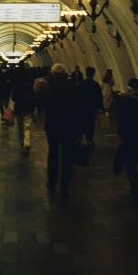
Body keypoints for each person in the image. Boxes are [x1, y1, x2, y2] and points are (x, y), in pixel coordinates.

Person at [36, 63, 78, 199]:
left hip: (53, 125)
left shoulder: (48, 89)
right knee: (68, 156)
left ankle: (52, 182)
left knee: (53, 153)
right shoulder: (73, 89)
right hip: (69, 125)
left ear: (53, 75)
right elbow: (79, 109)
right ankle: (65, 186)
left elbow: (40, 104)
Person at [117, 77, 138, 194]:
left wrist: (122, 135)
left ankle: (134, 182)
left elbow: (122, 120)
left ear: (128, 88)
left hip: (131, 136)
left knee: (131, 160)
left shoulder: (125, 101)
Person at [12, 62, 36, 155]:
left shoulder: (17, 81)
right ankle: (27, 143)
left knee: (20, 126)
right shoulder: (30, 80)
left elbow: (13, 97)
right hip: (28, 106)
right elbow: (33, 94)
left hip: (19, 107)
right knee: (27, 126)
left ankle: (22, 144)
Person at [78, 66, 104, 146]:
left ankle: (81, 136)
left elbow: (77, 95)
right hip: (92, 107)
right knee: (91, 122)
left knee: (82, 121)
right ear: (93, 74)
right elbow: (99, 96)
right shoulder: (95, 85)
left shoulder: (81, 84)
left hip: (82, 107)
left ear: (86, 73)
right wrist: (101, 107)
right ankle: (90, 138)